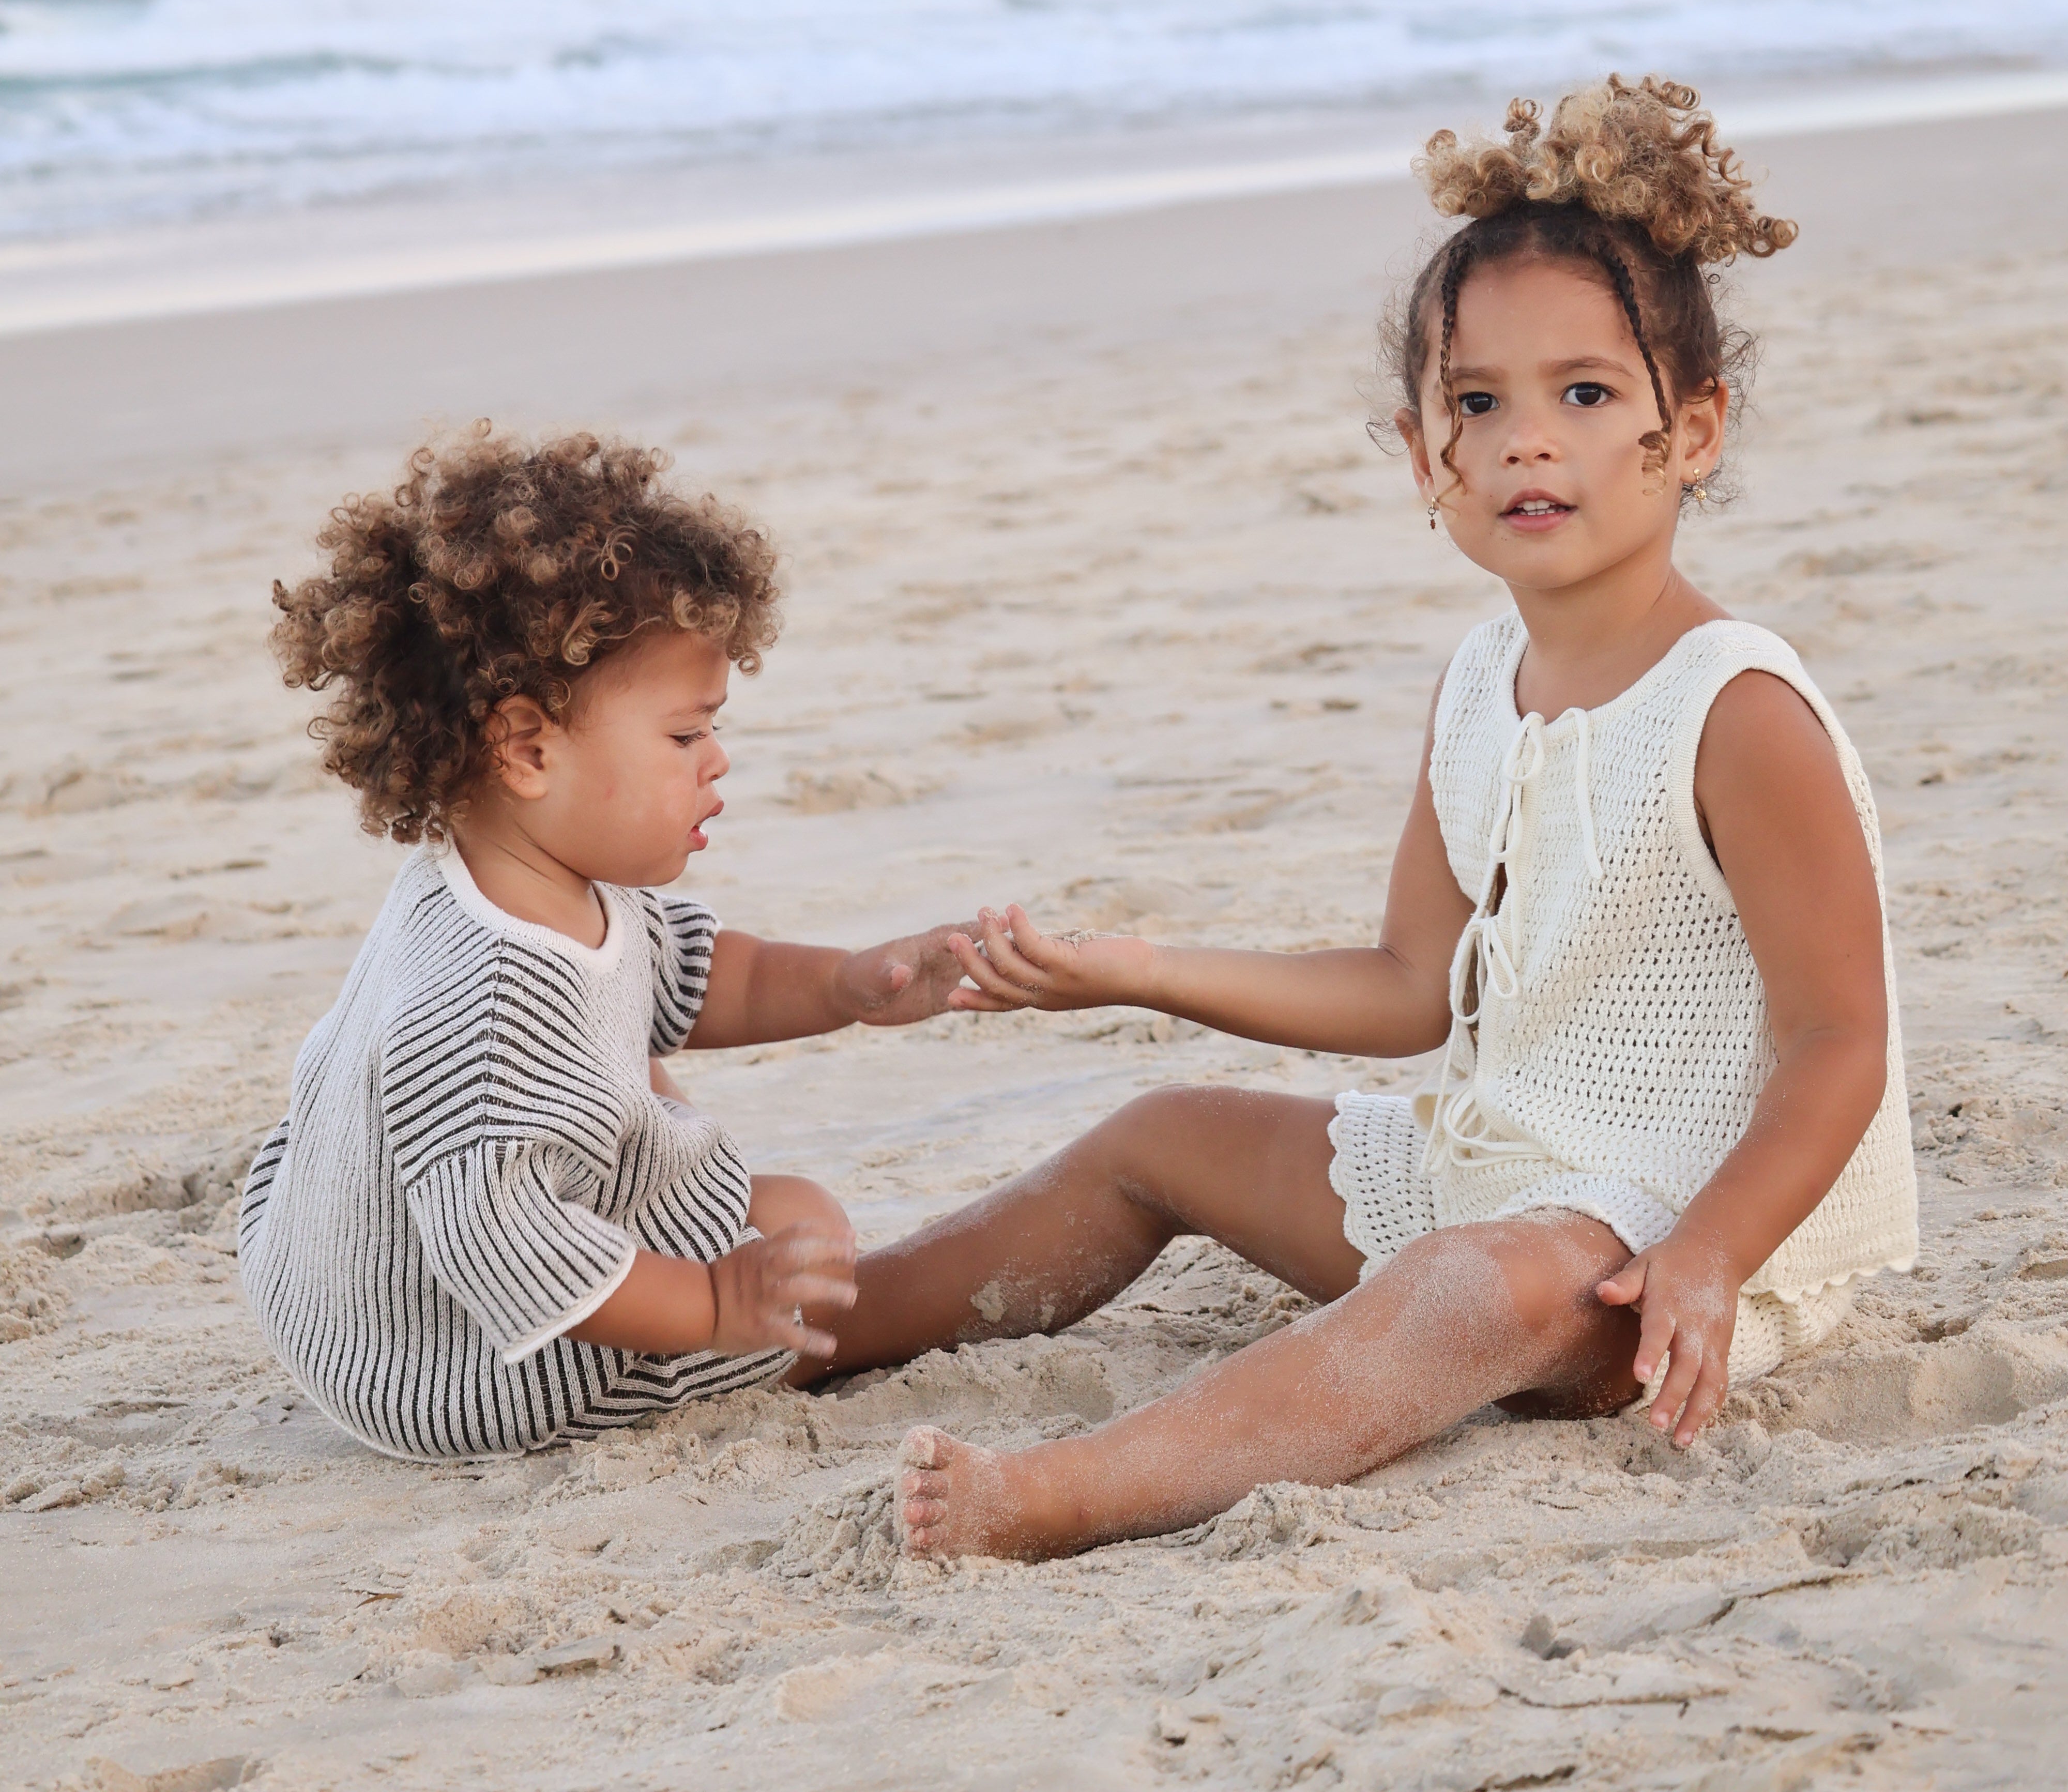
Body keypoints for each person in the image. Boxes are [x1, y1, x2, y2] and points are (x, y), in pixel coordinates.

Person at [822, 76, 1920, 1561]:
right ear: (1424, 456)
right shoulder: (1482, 681)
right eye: (1479, 403)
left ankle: (1063, 1494)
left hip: (1661, 1233)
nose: (1529, 442)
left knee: (1479, 1293)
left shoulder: (1736, 710)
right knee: (1162, 1133)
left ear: (1694, 431)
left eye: (1586, 394)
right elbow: (1409, 987)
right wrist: (1137, 969)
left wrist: (1711, 1257)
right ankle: (816, 1329)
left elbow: (1840, 1039)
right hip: (1491, 1157)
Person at [238, 425, 975, 1463]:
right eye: (684, 735)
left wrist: (851, 986)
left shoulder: (518, 873)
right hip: (462, 1370)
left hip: (363, 1266)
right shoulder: (488, 1007)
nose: (717, 760)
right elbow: (513, 1251)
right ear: (527, 746)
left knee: (744, 1181)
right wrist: (716, 1303)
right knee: (806, 1233)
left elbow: (705, 972)